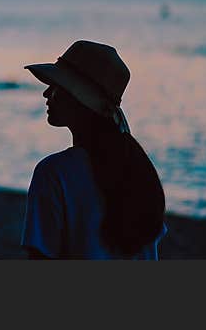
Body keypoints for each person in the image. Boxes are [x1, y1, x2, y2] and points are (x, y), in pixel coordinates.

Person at [21, 40, 166, 259]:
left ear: (80, 99)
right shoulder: (139, 172)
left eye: (57, 86)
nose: (46, 93)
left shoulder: (54, 173)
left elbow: (40, 258)